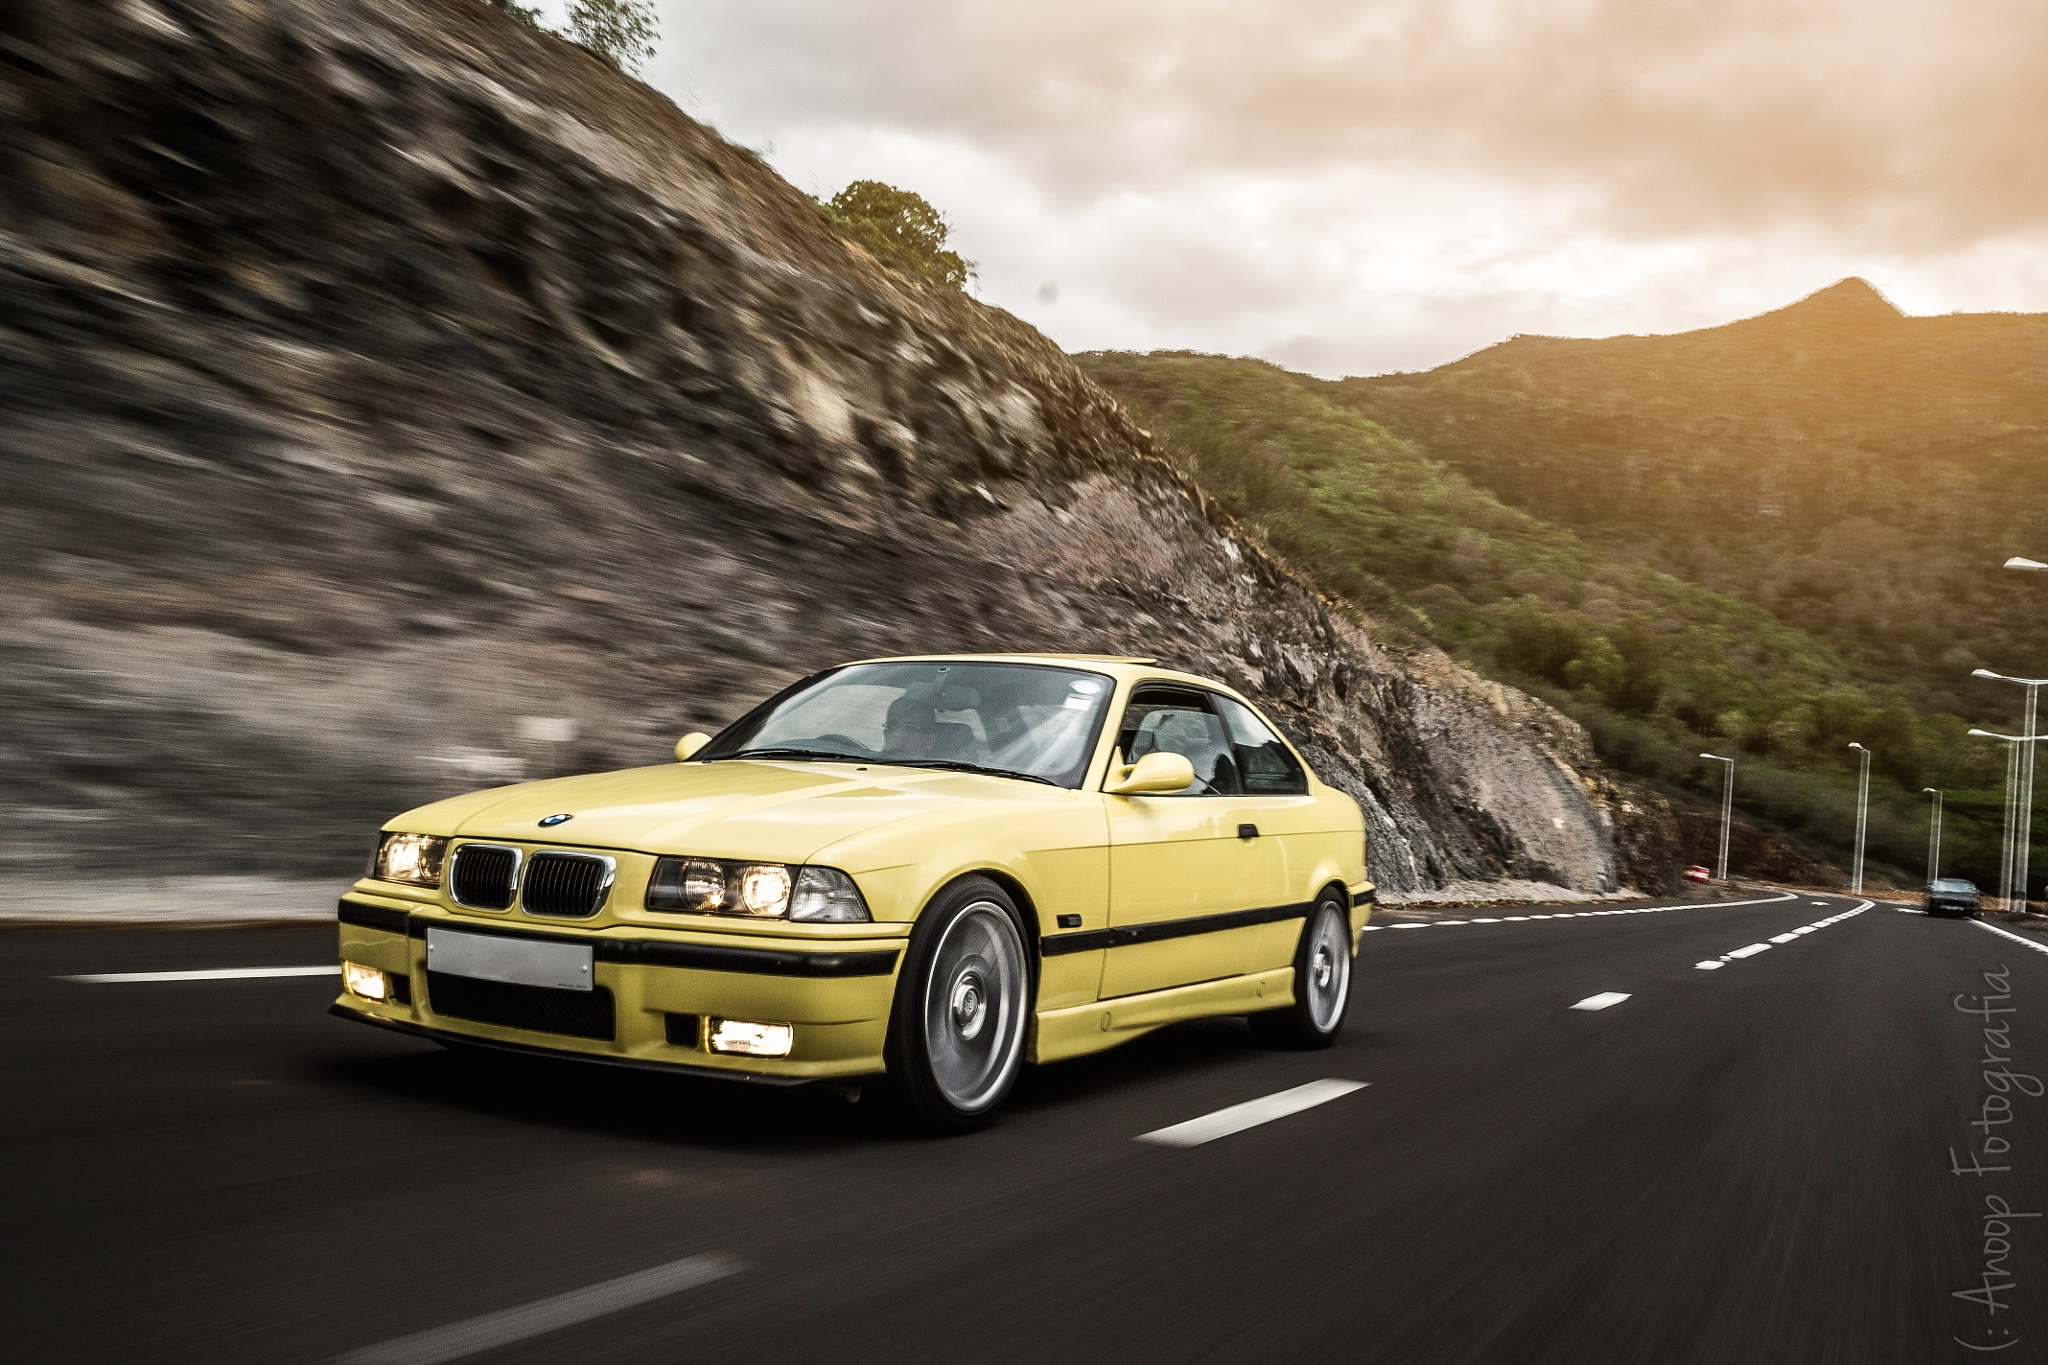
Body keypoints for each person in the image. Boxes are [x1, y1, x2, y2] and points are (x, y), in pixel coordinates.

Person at [881, 693, 940, 759]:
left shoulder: (939, 769)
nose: (897, 733)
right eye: (892, 726)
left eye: (910, 727)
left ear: (929, 740)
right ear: (885, 733)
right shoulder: (870, 764)